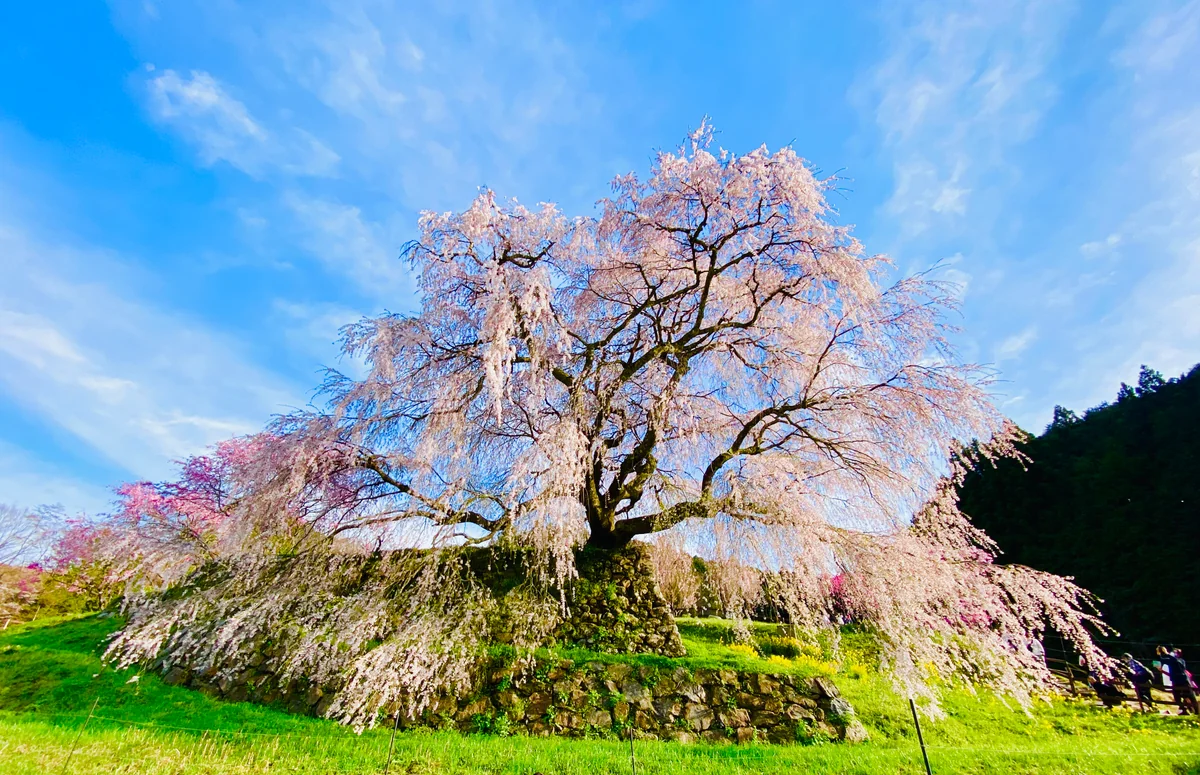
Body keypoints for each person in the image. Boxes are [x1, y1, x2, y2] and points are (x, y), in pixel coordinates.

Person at [1157, 646, 1198, 715]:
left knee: (1179, 696)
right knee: (1188, 696)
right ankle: (1191, 711)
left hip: (1177, 680)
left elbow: (1160, 660)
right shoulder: (1181, 661)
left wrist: (1163, 653)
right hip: (1183, 679)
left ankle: (1187, 710)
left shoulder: (1174, 660)